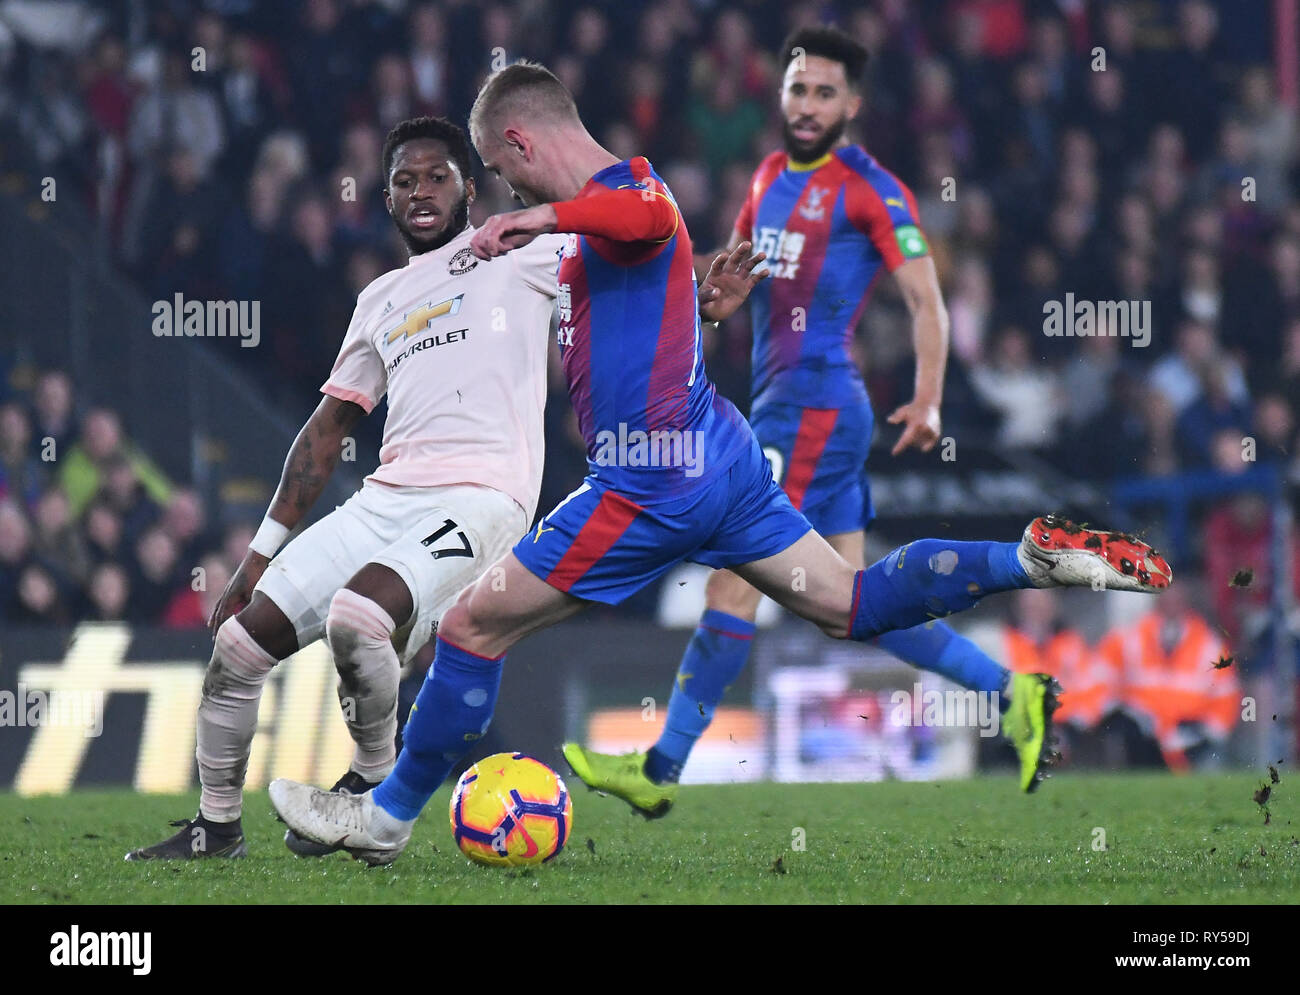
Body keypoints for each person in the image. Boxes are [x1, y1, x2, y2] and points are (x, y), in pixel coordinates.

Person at [269, 61, 1171, 867]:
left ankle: (382, 819)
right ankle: (1029, 555)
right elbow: (639, 285)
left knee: (470, 626)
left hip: (648, 482)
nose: (503, 189)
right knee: (850, 604)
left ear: (516, 142)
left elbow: (644, 212)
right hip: (722, 459)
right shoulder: (597, 237)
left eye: (503, 171)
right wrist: (696, 303)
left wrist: (540, 212)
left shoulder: (627, 194)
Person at [563, 25, 1055, 810]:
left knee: (733, 583)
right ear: (781, 92)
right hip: (787, 407)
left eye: (825, 92)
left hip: (815, 408)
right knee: (852, 607)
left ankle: (659, 772)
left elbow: (927, 298)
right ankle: (1011, 693)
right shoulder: (764, 177)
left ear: (852, 104)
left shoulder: (870, 187)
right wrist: (711, 310)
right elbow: (733, 280)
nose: (807, 104)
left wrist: (929, 395)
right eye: (798, 88)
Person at [126, 116, 566, 860]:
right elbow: (325, 432)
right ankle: (216, 826)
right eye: (403, 179)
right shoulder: (380, 299)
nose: (420, 190)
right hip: (385, 499)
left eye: (437, 176)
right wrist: (259, 555)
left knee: (359, 615)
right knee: (235, 645)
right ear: (385, 198)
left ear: (468, 187)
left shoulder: (518, 250)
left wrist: (700, 279)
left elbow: (629, 256)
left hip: (483, 494)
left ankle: (370, 787)